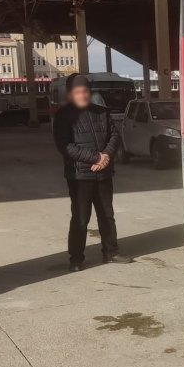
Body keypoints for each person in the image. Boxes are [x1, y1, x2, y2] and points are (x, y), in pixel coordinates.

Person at [53, 73, 132, 272]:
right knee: (80, 218)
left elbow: (114, 136)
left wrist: (106, 156)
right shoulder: (63, 117)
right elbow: (65, 146)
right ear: (71, 94)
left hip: (103, 173)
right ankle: (76, 258)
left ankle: (111, 252)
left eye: (86, 91)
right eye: (78, 92)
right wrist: (94, 158)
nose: (83, 95)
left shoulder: (101, 112)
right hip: (80, 176)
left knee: (107, 215)